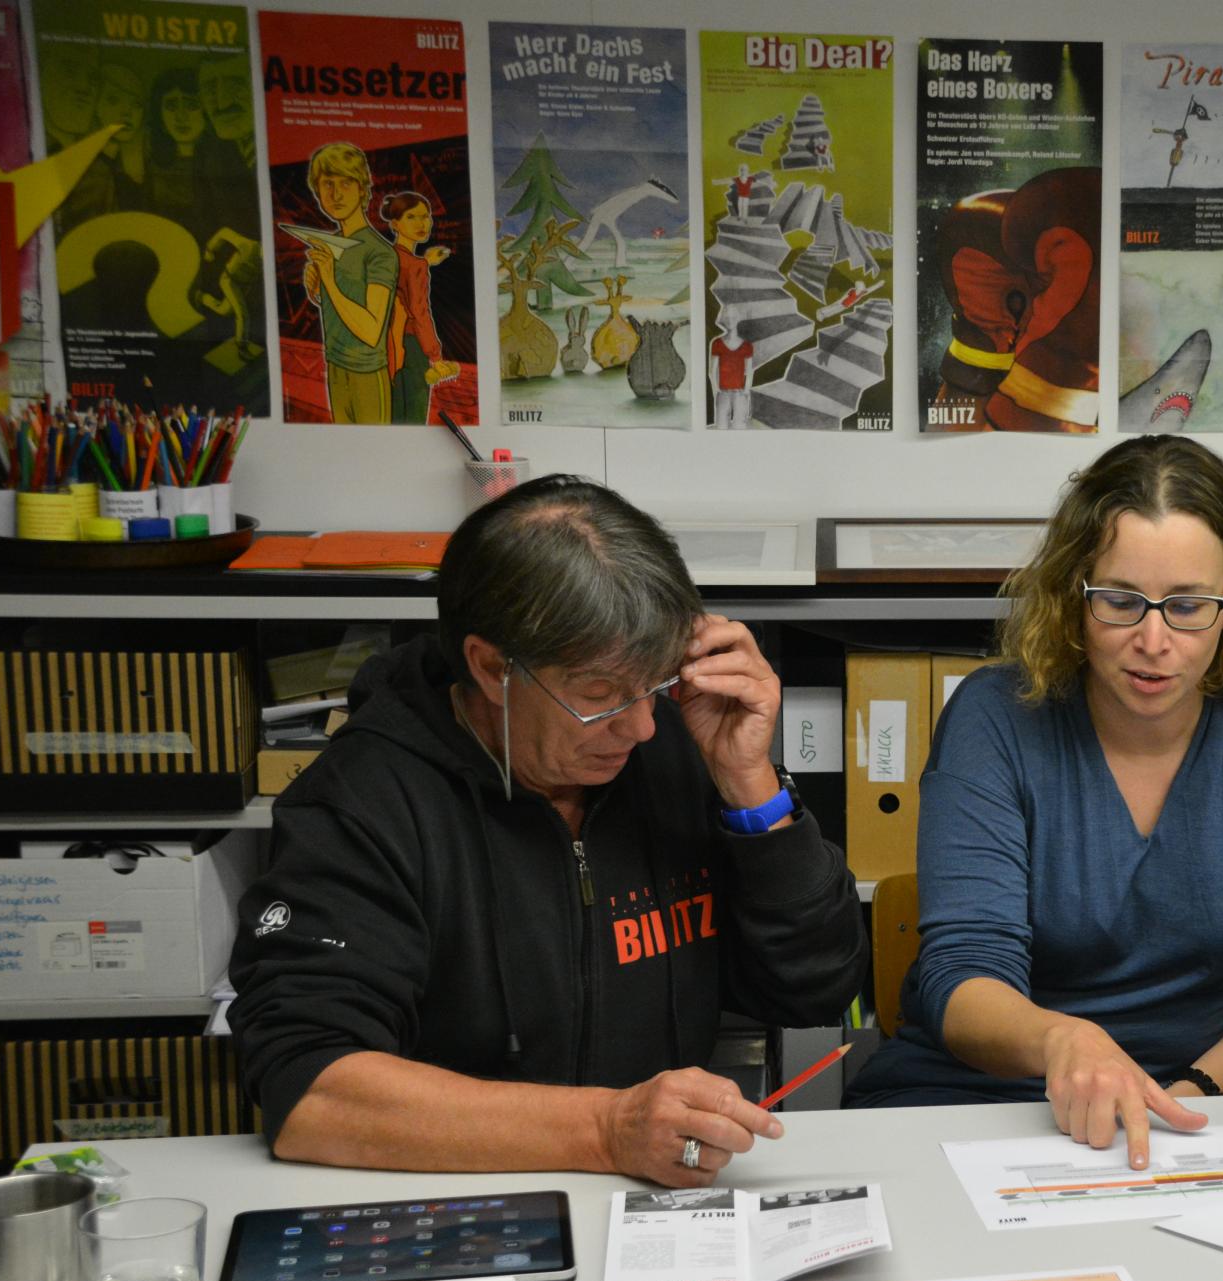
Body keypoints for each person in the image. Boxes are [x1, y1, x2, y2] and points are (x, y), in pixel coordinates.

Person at [229, 477, 869, 1188]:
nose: (641, 727)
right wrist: (603, 1131)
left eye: (654, 685)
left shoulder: (677, 752)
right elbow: (313, 1092)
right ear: (492, 666)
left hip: (650, 1202)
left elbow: (815, 988)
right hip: (448, 1196)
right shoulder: (366, 801)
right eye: (600, 696)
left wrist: (750, 786)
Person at [846, 435, 1223, 1169]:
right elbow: (963, 975)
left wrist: (1195, 1089)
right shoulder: (996, 720)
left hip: (1201, 1108)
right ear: (1072, 590)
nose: (1153, 640)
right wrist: (1064, 1041)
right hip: (986, 1097)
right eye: (1120, 602)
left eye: (1188, 607)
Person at [299, 142, 396, 424]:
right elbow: (344, 308)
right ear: (317, 192)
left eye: (346, 182)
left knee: (375, 458)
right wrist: (317, 292)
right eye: (327, 184)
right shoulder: (331, 246)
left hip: (366, 373)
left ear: (362, 188)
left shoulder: (378, 252)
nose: (336, 194)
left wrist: (328, 280)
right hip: (335, 365)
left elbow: (369, 330)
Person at [378, 191, 459, 425]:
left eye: (426, 217)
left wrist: (425, 262)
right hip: (412, 347)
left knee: (394, 410)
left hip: (387, 344)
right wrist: (435, 355)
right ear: (395, 224)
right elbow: (420, 312)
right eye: (412, 217)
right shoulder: (414, 266)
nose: (422, 223)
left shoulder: (388, 257)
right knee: (413, 414)